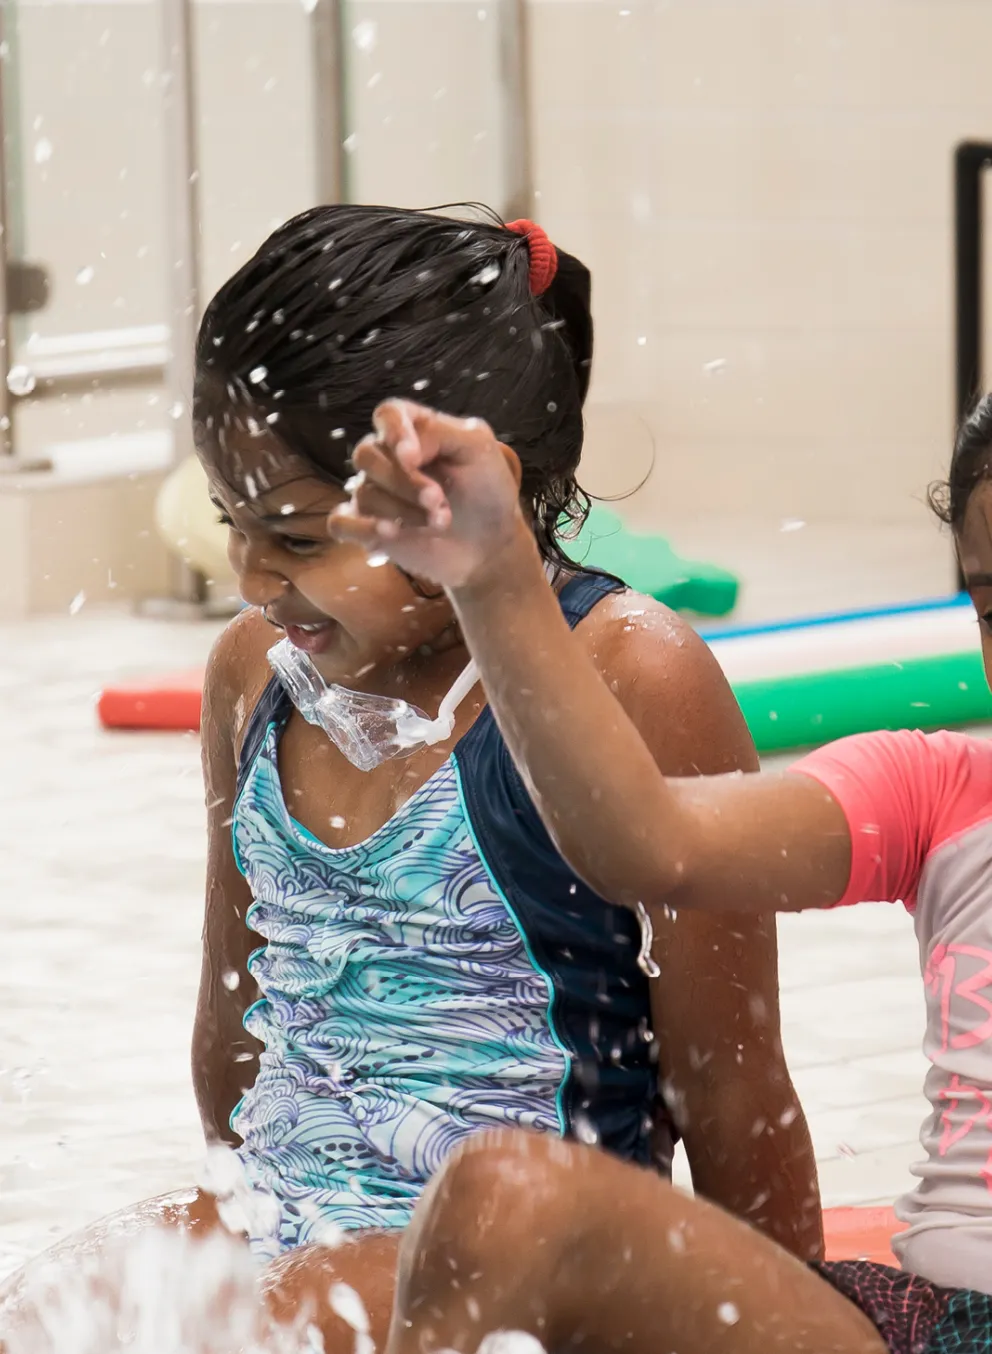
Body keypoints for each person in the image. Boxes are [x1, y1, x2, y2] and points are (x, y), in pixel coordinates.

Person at [0, 207, 818, 1349]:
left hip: (527, 1261)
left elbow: (732, 1084)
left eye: (293, 536)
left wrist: (787, 1322)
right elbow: (233, 1020)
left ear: (462, 494)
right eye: (234, 524)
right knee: (56, 1309)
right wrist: (226, 1240)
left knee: (289, 1322)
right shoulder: (256, 677)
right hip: (300, 1222)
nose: (249, 580)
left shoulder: (630, 676)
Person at [329, 390, 992, 1352]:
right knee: (501, 1197)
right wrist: (497, 580)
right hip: (932, 1326)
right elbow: (646, 841)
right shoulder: (945, 792)